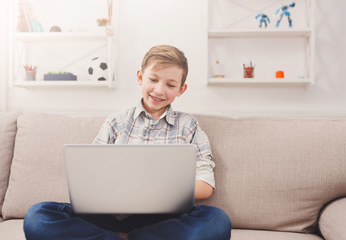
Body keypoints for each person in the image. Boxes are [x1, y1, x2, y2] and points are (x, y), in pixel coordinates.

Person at [23, 45, 232, 240]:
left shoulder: (189, 126)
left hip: (167, 220)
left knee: (217, 221)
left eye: (170, 85)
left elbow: (205, 187)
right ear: (140, 77)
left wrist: (154, 189)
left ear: (181, 89)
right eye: (153, 79)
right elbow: (90, 177)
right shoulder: (117, 122)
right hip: (111, 217)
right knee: (37, 217)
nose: (159, 90)